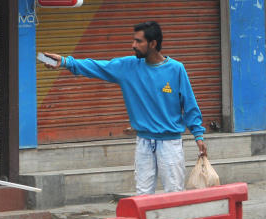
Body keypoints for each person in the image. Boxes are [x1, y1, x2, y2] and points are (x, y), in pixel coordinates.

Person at [43, 21, 208, 195]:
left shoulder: (176, 69)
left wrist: (198, 135)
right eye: (133, 41)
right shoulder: (128, 66)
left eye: (138, 42)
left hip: (170, 143)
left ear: (153, 44)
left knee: (174, 193)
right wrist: (65, 62)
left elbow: (189, 105)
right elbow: (97, 67)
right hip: (143, 142)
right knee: (143, 195)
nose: (133, 45)